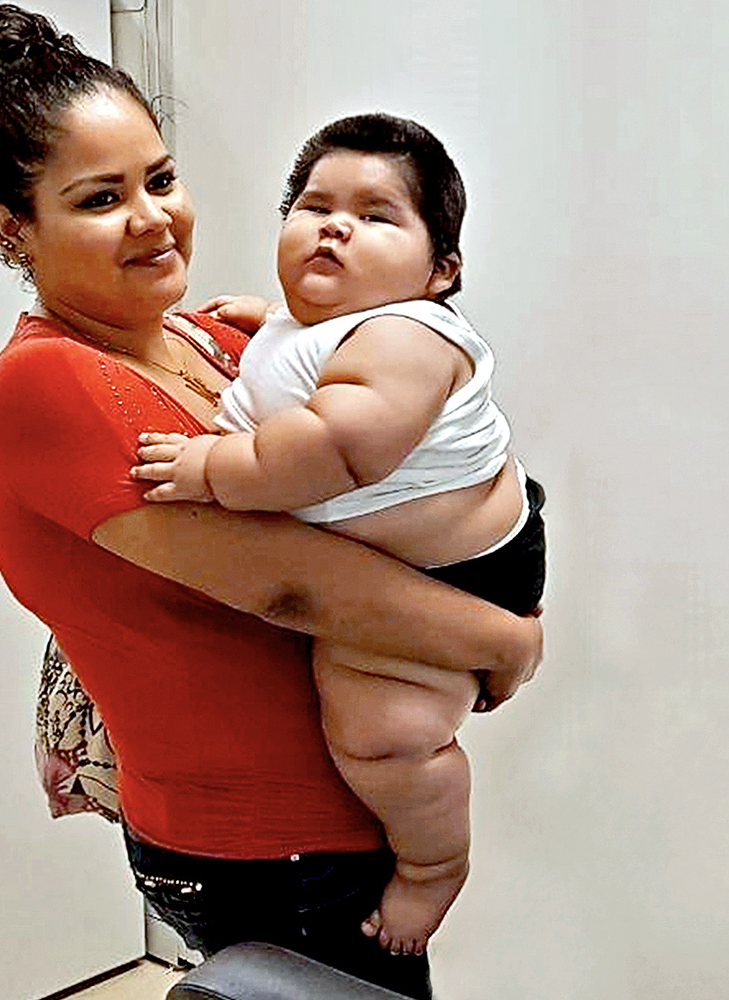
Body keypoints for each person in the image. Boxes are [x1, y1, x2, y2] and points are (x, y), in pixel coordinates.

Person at [0, 7, 539, 997]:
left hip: (337, 816)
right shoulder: (45, 385)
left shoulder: (208, 335)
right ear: (13, 225)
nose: (153, 218)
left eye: (160, 179)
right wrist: (503, 637)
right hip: (266, 846)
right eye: (100, 198)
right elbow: (293, 586)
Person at [130, 114, 544, 956]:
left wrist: (216, 466)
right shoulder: (316, 324)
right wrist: (265, 321)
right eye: (313, 206)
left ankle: (433, 865)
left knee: (383, 737)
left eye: (376, 215)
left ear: (439, 272)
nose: (334, 227)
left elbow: (335, 447)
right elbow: (308, 357)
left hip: (460, 570)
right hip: (416, 557)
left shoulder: (407, 338)